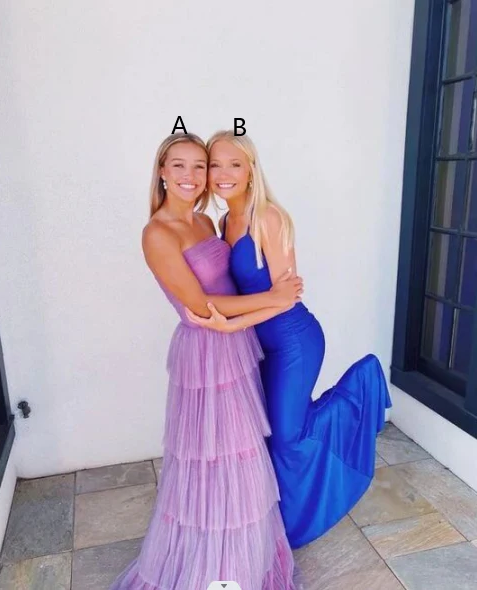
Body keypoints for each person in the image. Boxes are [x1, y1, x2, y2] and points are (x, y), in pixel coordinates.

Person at [110, 132, 303, 590]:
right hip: (204, 352)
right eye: (179, 165)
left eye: (201, 166)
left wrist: (266, 304)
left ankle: (243, 558)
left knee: (242, 453)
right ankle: (211, 564)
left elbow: (230, 284)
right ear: (161, 171)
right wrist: (274, 298)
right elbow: (201, 304)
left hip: (236, 344)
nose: (192, 175)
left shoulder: (205, 221)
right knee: (211, 456)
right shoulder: (157, 233)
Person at [186, 131, 392, 549]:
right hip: (258, 344)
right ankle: (275, 521)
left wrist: (232, 325)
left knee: (286, 436)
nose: (224, 173)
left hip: (294, 341)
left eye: (235, 164)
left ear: (251, 170)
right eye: (216, 165)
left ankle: (360, 390)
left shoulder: (269, 217)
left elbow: (287, 299)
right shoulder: (225, 222)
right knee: (267, 435)